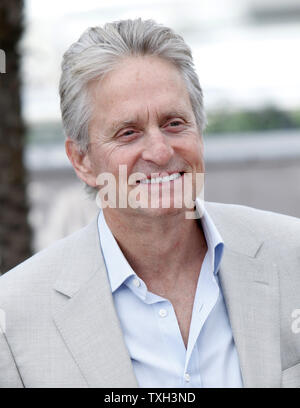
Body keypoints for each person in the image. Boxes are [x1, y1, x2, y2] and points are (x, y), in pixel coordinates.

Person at [1, 18, 300, 389]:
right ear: (82, 161)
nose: (160, 152)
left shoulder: (293, 256)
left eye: (174, 123)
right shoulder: (13, 318)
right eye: (128, 133)